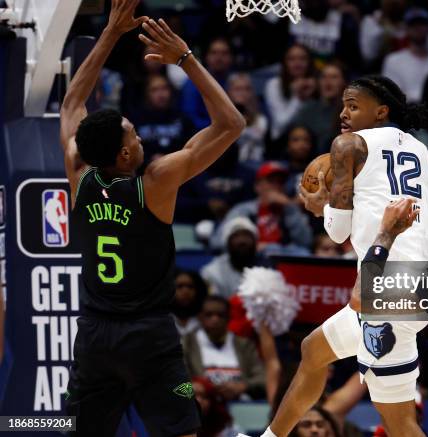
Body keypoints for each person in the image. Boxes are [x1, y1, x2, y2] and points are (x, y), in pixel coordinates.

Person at [60, 1, 245, 435]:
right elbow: (232, 123)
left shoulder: (80, 174)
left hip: (94, 335)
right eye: (133, 133)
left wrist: (110, 33)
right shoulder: (155, 183)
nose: (140, 135)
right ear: (125, 153)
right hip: (149, 337)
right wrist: (185, 57)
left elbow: (72, 101)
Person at [249, 75, 428, 437]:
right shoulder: (422, 152)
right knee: (316, 352)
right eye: (343, 105)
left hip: (387, 291)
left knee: (398, 422)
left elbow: (336, 233)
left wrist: (318, 205)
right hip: (419, 286)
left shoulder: (347, 146)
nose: (344, 113)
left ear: (381, 111)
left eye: (353, 105)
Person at [183, 296, 266, 400]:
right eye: (209, 315)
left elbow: (263, 378)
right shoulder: (186, 344)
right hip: (202, 406)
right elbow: (173, 383)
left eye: (220, 315)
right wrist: (196, 388)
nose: (215, 319)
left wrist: (244, 386)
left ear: (228, 318)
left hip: (241, 405)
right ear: (200, 317)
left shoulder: (244, 345)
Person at [381, 8, 428, 103]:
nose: (418, 27)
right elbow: (391, 95)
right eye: (413, 24)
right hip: (406, 113)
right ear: (406, 29)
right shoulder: (393, 60)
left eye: (422, 23)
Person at [264, 44, 317, 140]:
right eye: (291, 59)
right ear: (284, 63)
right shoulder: (274, 84)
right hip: (281, 141)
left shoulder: (317, 84)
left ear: (310, 62)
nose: (297, 63)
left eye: (302, 59)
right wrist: (297, 97)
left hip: (312, 142)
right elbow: (281, 124)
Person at [201, 217, 262, 299]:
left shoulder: (268, 268)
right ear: (227, 243)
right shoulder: (212, 272)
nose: (242, 241)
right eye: (236, 236)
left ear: (255, 242)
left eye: (247, 235)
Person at [171, 269, 208, 338]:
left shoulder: (206, 319)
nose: (186, 291)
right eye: (180, 286)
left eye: (190, 287)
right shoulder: (163, 319)